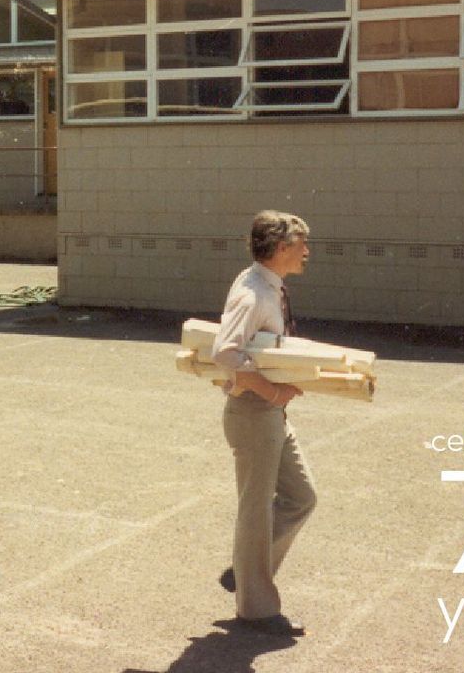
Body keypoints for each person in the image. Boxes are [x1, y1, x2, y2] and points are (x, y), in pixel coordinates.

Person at [211, 210, 317, 638]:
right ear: (279, 248)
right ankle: (256, 609)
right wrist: (273, 393)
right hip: (255, 414)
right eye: (300, 245)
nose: (307, 252)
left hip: (269, 413)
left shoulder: (266, 284)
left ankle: (245, 568)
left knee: (302, 496)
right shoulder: (254, 293)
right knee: (256, 511)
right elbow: (225, 353)